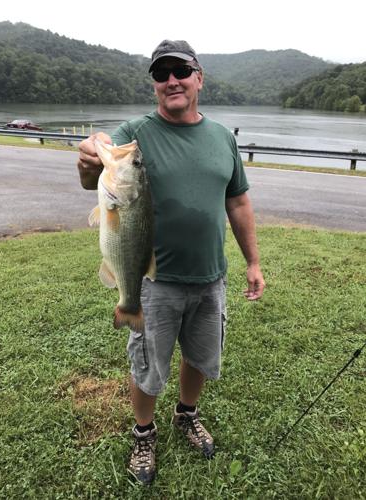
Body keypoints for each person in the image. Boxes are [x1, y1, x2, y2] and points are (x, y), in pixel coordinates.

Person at [77, 39, 265, 485]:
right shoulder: (134, 134)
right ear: (155, 86)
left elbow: (237, 202)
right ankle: (144, 432)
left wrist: (252, 262)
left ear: (199, 77)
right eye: (161, 74)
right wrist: (89, 157)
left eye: (180, 70)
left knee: (199, 356)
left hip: (210, 276)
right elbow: (96, 175)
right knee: (147, 364)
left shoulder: (222, 137)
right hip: (152, 282)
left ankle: (187, 413)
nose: (171, 80)